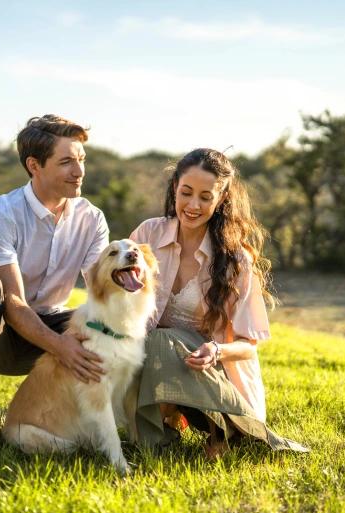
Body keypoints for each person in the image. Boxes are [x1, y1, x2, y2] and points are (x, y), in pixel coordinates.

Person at [0, 115, 109, 456]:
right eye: (66, 162)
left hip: (48, 323)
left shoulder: (91, 219)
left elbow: (102, 294)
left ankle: (82, 423)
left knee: (103, 323)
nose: (79, 171)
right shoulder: (0, 214)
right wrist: (62, 347)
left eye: (81, 160)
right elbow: (13, 302)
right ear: (35, 166)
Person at [130, 148, 307, 458]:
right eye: (186, 193)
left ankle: (220, 429)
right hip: (157, 367)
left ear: (222, 198)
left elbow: (248, 346)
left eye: (205, 197)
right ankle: (162, 426)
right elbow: (124, 303)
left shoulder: (235, 258)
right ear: (175, 188)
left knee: (162, 339)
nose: (192, 205)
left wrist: (216, 350)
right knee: (152, 341)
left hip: (215, 374)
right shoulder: (148, 234)